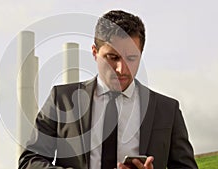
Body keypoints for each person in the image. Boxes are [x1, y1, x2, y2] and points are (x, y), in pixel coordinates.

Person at [18, 10, 198, 169]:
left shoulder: (167, 109)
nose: (121, 69)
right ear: (95, 52)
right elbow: (30, 161)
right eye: (112, 57)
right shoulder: (62, 99)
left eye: (132, 58)